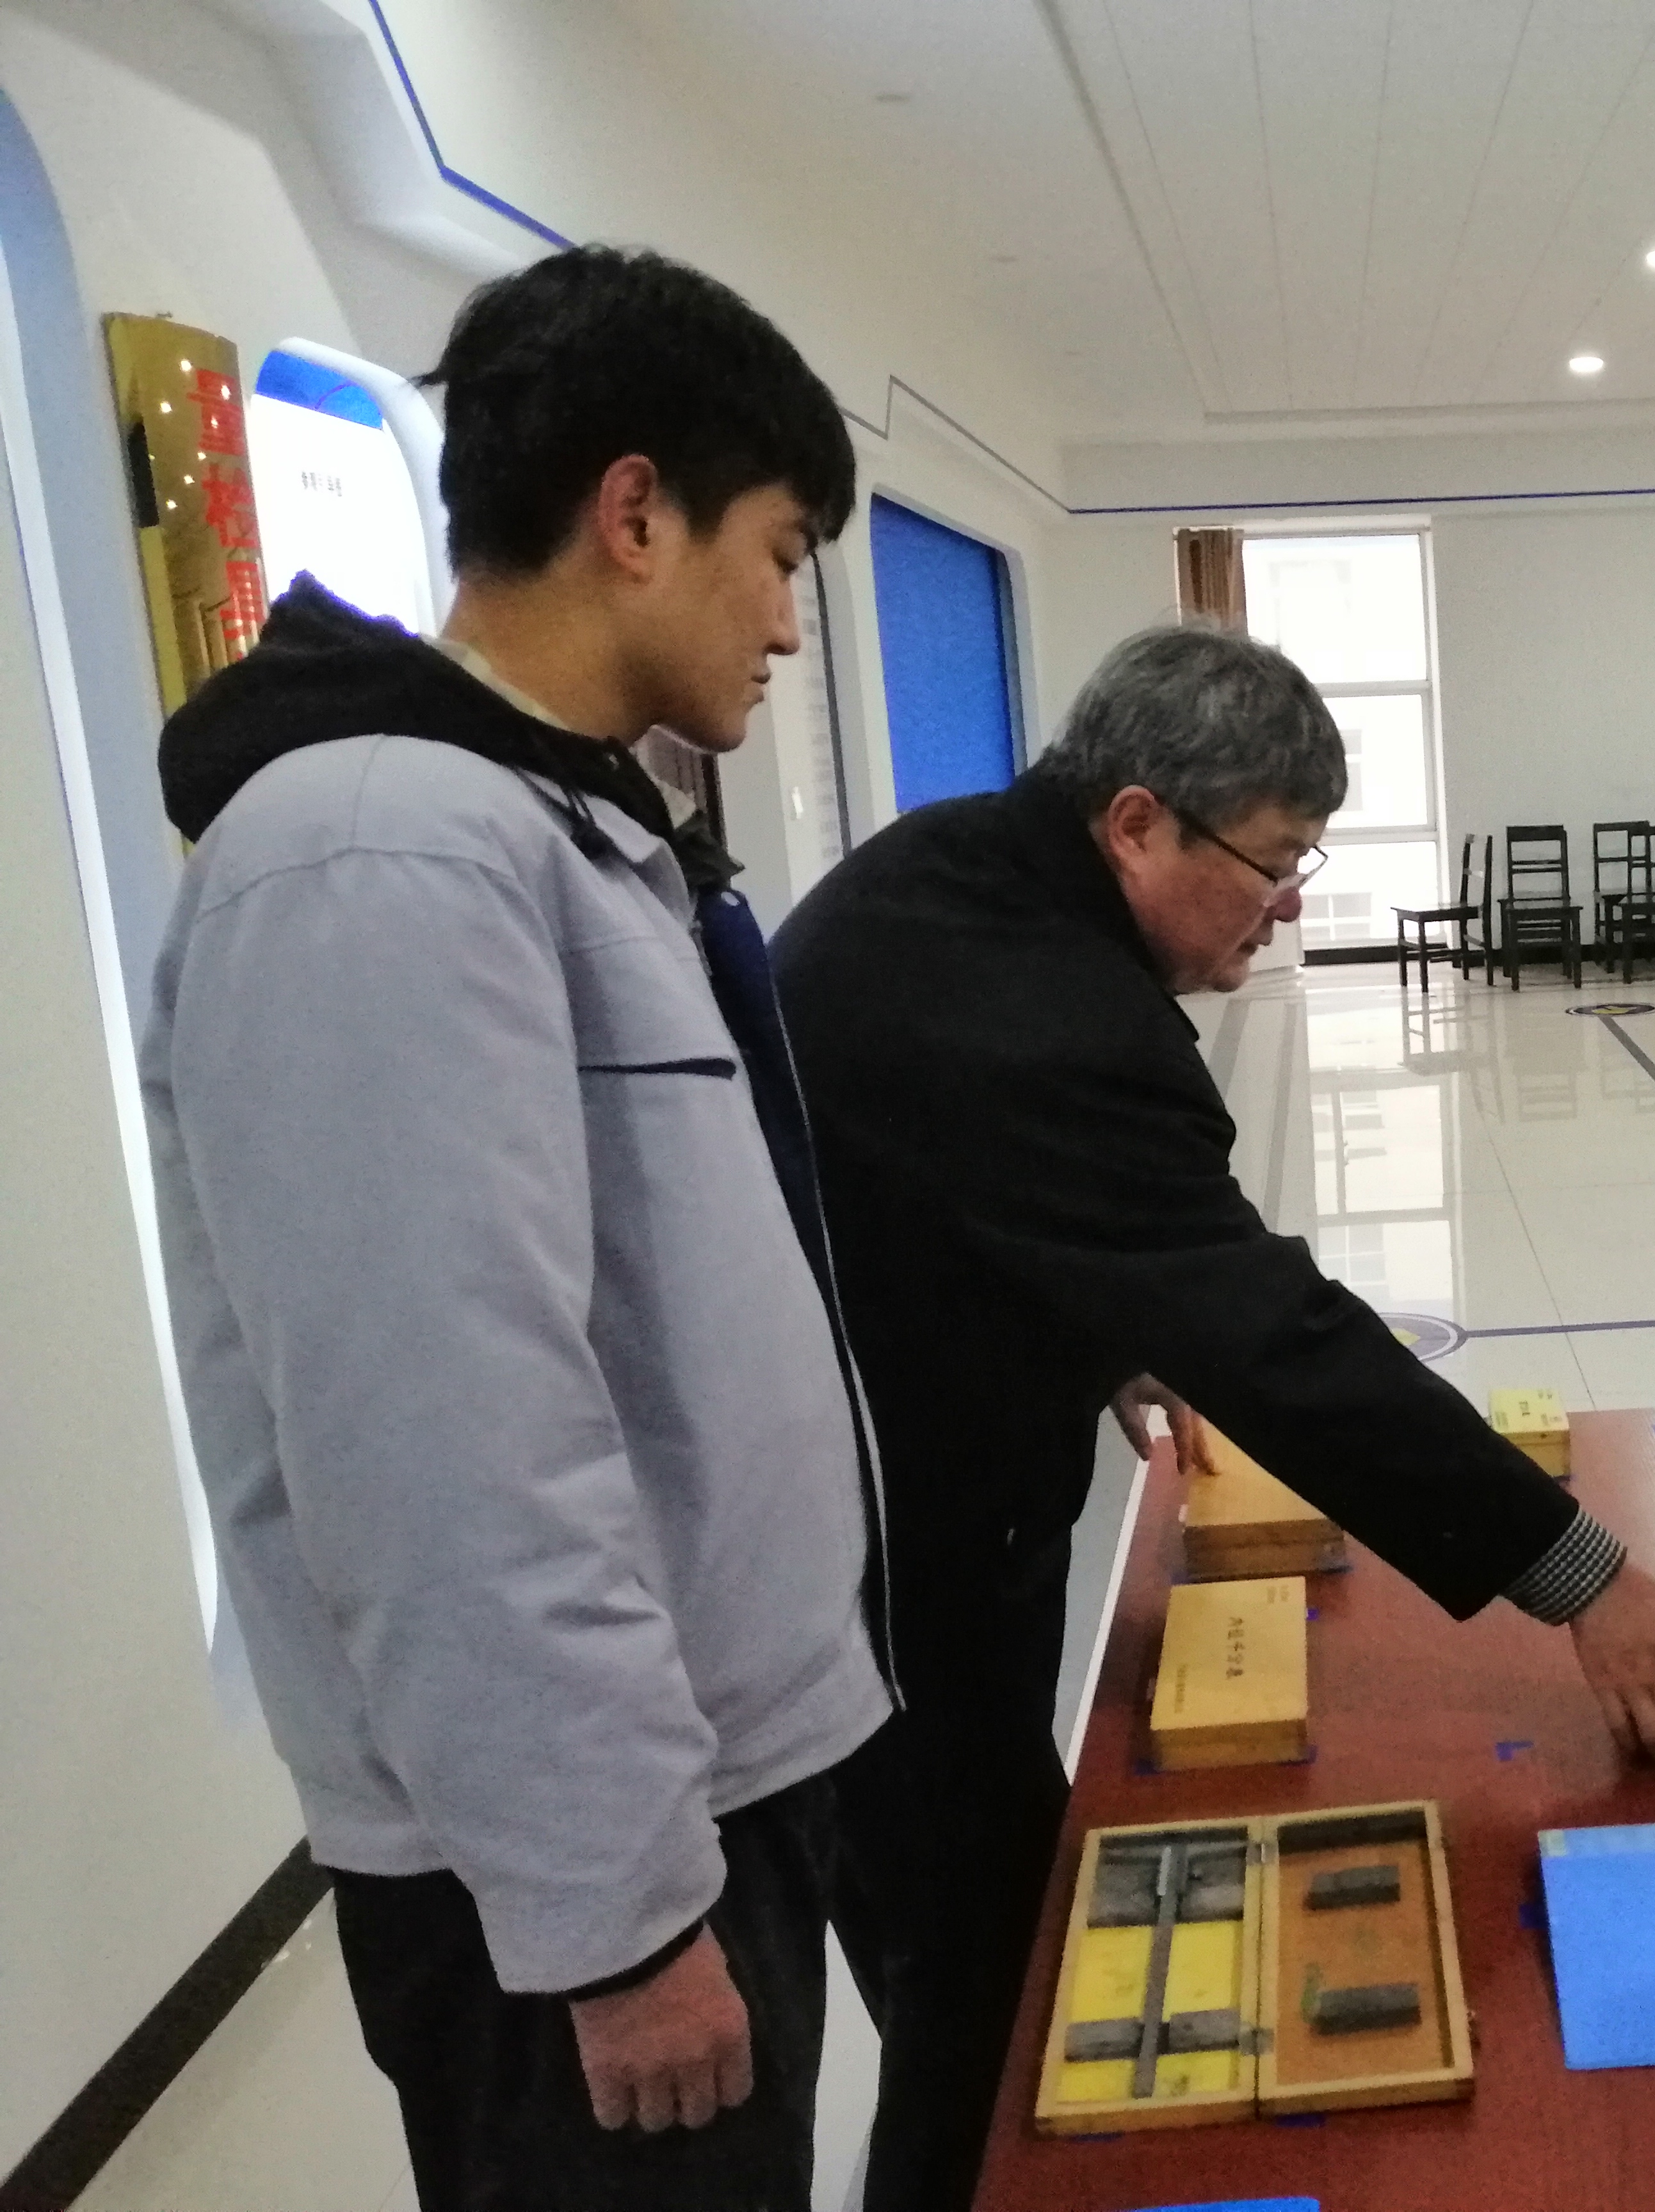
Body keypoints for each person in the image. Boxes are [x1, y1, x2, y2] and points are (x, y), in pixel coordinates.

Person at [773, 623, 1655, 2212]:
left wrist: (1096, 1313)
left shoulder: (958, 872)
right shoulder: (1048, 1005)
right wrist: (1578, 1570)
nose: (1288, 905)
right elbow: (1280, 1341)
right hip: (878, 1589)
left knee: (984, 1955)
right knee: (984, 1998)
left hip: (874, 1529)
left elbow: (948, 1193)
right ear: (1137, 822)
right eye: (1273, 863)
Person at [143, 245, 889, 2209]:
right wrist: (616, 1919)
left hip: (699, 1796)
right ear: (635, 514)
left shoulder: (563, 832)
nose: (787, 624)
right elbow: (439, 1440)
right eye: (781, 553)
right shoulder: (377, 851)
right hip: (585, 1886)